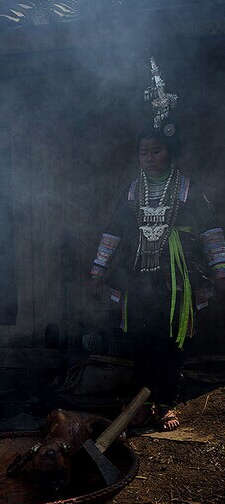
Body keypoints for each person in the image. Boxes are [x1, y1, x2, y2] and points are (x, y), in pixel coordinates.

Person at [90, 126, 225, 431]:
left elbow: (210, 231)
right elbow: (113, 231)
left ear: (171, 152)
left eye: (156, 151)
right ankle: (140, 404)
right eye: (143, 152)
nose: (149, 158)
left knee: (170, 342)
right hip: (138, 279)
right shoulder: (132, 191)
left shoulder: (187, 189)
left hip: (176, 279)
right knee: (141, 341)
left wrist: (221, 271)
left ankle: (166, 405)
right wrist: (98, 271)